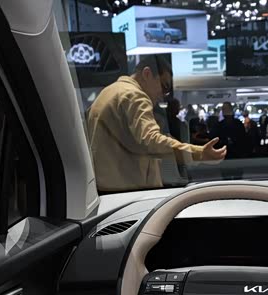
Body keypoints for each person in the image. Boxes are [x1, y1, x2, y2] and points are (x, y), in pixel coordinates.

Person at [87, 55, 226, 192]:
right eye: (164, 86)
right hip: (129, 189)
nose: (163, 95)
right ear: (147, 74)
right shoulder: (133, 95)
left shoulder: (110, 92)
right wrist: (199, 153)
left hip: (110, 187)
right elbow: (152, 140)